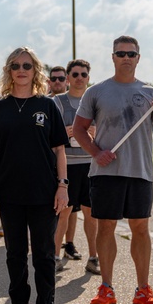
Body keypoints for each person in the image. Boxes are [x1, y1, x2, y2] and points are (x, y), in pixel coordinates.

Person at [72, 36, 153, 304]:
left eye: (131, 53)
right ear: (113, 57)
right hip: (106, 172)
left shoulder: (151, 93)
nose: (126, 57)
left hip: (140, 171)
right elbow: (79, 129)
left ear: (138, 57)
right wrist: (96, 152)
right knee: (106, 227)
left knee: (140, 228)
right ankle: (106, 287)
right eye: (121, 53)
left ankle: (143, 290)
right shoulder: (98, 91)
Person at [0, 47, 68, 304]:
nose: (21, 70)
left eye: (27, 66)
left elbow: (59, 150)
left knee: (44, 254)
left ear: (36, 71)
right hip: (8, 193)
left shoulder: (47, 106)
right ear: (9, 71)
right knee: (15, 254)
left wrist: (62, 186)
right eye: (16, 65)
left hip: (44, 193)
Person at [52, 59, 99, 275]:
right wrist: (66, 132)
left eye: (84, 74)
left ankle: (93, 257)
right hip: (67, 165)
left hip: (90, 164)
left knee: (92, 214)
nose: (79, 78)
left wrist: (93, 135)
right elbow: (48, 133)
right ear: (68, 77)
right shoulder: (58, 102)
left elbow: (106, 131)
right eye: (75, 74)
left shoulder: (96, 101)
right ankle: (54, 256)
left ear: (89, 78)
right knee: (64, 212)